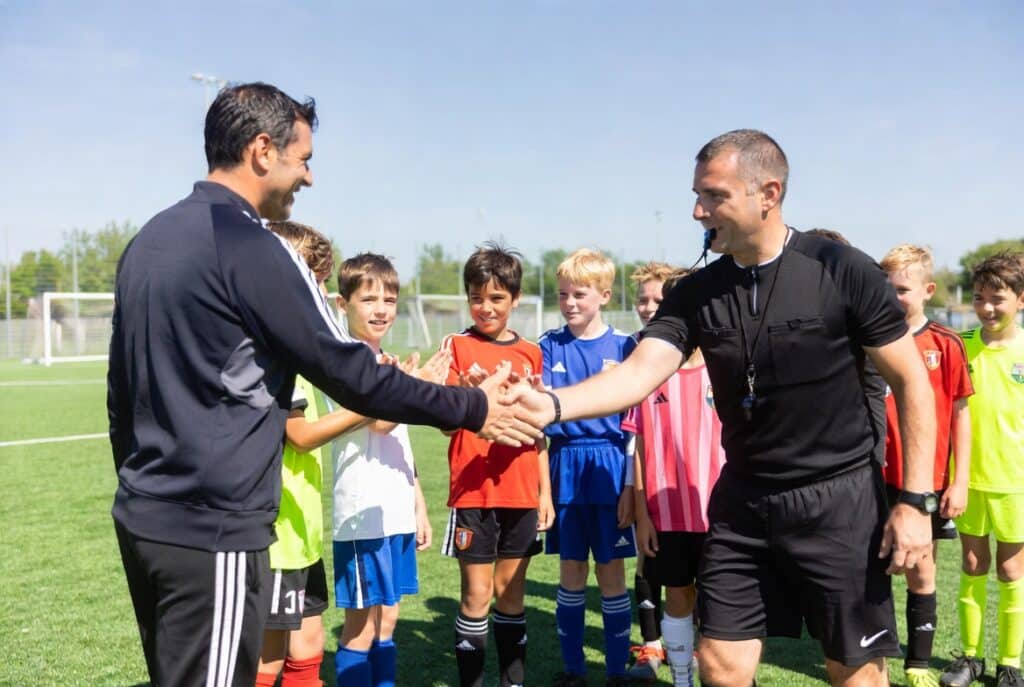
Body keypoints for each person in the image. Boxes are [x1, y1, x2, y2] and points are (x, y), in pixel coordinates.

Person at [107, 82, 539, 687]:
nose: (307, 178)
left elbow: (118, 394)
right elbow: (352, 373)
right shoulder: (253, 247)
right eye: (303, 159)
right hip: (213, 527)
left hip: (142, 515)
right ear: (263, 151)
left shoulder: (147, 240)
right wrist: (470, 405)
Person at [508, 129, 937, 687]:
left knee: (854, 672)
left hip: (839, 501)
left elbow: (912, 386)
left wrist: (914, 502)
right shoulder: (696, 291)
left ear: (768, 193)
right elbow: (640, 372)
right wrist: (550, 403)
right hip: (743, 501)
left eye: (713, 196)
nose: (697, 210)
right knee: (721, 666)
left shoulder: (841, 268)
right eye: (696, 194)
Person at [437, 242, 555, 687]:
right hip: (473, 493)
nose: (485, 307)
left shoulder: (531, 353)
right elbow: (446, 429)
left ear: (516, 298)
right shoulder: (457, 347)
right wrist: (467, 402)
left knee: (511, 595)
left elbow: (539, 429)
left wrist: (545, 492)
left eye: (496, 298)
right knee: (477, 595)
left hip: (522, 491)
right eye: (476, 297)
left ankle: (513, 682)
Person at [331, 252, 449, 687]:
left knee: (390, 615)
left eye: (390, 298)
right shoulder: (346, 359)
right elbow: (379, 421)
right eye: (369, 298)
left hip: (394, 509)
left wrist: (417, 504)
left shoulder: (387, 360)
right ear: (343, 305)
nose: (381, 308)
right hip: (364, 515)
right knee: (361, 623)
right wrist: (419, 389)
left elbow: (398, 441)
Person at [876, 244, 974, 687]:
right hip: (872, 476)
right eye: (886, 287)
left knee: (922, 567)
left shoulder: (945, 343)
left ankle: (916, 664)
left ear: (927, 290)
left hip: (925, 481)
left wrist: (960, 480)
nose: (893, 296)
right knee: (869, 565)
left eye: (902, 289)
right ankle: (870, 652)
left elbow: (960, 414)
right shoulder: (867, 340)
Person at [627, 267, 727, 687]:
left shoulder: (725, 369)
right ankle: (682, 679)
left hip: (719, 513)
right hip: (666, 513)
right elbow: (640, 448)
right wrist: (642, 513)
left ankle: (720, 675)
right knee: (679, 596)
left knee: (721, 608)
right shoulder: (648, 372)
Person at [541, 248, 636, 687]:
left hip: (610, 466)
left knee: (612, 571)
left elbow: (636, 426)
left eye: (580, 294)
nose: (570, 302)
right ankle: (573, 669)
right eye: (563, 295)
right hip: (566, 466)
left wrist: (630, 485)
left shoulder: (625, 347)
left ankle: (616, 669)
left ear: (603, 294)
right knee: (572, 568)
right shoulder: (547, 346)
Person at [255, 220, 342, 687]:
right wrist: (365, 410)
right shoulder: (273, 353)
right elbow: (301, 435)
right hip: (278, 533)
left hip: (302, 530)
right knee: (267, 657)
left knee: (308, 644)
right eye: (315, 283)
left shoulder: (295, 349)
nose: (322, 295)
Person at [940, 252, 1024, 687]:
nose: (988, 307)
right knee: (973, 564)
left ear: (1021, 300)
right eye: (979, 298)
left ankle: (1010, 663)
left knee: (1012, 572)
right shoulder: (961, 343)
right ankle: (970, 659)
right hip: (968, 479)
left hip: (1016, 483)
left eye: (998, 299)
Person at [623, 261, 676, 682]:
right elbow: (633, 432)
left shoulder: (691, 350)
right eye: (643, 299)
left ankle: (684, 643)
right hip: (645, 474)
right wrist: (629, 486)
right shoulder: (635, 349)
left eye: (659, 298)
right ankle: (651, 644)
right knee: (645, 559)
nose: (649, 306)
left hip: (686, 481)